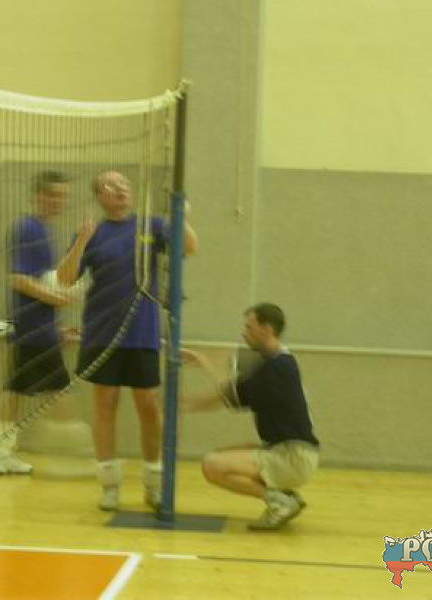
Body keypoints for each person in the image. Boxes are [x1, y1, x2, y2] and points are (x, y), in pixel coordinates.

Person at [58, 170, 198, 511]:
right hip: (102, 334)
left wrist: (181, 217)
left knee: (149, 406)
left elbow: (189, 247)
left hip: (142, 333)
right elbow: (64, 279)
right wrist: (80, 241)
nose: (121, 189)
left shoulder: (151, 226)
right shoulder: (92, 232)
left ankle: (154, 482)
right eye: (111, 186)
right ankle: (109, 484)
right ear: (99, 196)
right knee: (105, 406)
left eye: (124, 185)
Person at [180, 303, 320, 530]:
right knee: (224, 454)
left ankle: (279, 501)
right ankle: (285, 497)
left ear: (267, 330)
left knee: (212, 465)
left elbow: (226, 391)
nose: (244, 333)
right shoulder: (273, 361)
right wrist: (184, 405)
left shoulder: (277, 367)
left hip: (293, 458)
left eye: (249, 327)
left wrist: (204, 365)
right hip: (288, 452)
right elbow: (226, 395)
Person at [0, 170, 75, 475]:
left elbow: (42, 280)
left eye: (63, 197)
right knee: (57, 389)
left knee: (16, 387)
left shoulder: (45, 231)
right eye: (54, 196)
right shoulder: (27, 228)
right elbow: (18, 279)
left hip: (40, 327)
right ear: (38, 196)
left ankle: (2, 453)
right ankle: (73, 455)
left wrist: (56, 324)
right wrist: (55, 299)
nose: (59, 202)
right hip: (29, 327)